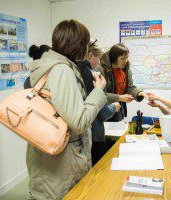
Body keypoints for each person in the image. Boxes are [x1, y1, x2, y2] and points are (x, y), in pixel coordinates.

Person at [26, 19, 107, 199]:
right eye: (85, 44)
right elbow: (78, 123)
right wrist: (99, 92)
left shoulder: (51, 66)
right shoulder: (62, 70)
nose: (87, 49)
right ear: (78, 45)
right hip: (60, 163)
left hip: (51, 158)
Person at [76, 39, 121, 165]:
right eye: (98, 58)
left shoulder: (74, 72)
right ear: (90, 55)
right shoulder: (93, 76)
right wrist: (114, 106)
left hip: (80, 137)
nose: (99, 62)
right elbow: (103, 113)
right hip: (95, 135)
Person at [98, 43, 150, 121]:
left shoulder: (125, 69)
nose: (125, 61)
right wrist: (120, 97)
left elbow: (129, 88)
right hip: (103, 111)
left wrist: (141, 93)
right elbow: (100, 95)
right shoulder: (101, 70)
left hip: (118, 110)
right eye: (122, 58)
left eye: (127, 58)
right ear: (114, 58)